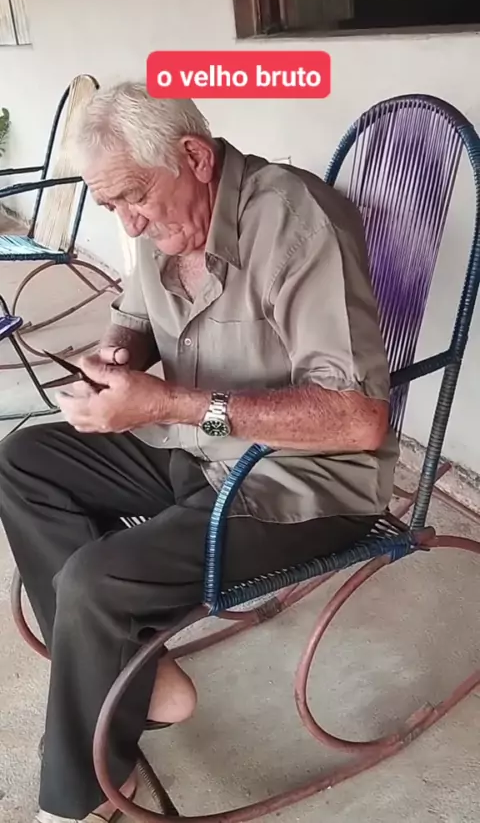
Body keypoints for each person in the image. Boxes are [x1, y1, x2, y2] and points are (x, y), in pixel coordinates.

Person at [0, 82, 398, 823]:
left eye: (133, 197)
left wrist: (168, 405)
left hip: (302, 482)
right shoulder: (163, 220)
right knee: (24, 461)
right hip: (199, 448)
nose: (128, 221)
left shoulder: (293, 223)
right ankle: (133, 673)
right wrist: (115, 361)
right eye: (111, 206)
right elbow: (133, 312)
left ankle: (79, 796)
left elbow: (358, 421)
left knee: (93, 582)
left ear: (195, 156)